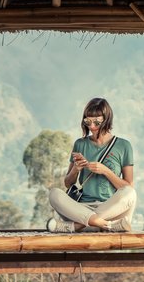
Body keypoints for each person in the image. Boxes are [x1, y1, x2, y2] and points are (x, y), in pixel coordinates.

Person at [47, 97, 136, 232]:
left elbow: (128, 186)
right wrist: (76, 170)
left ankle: (76, 226)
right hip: (81, 209)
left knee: (130, 193)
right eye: (88, 121)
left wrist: (106, 171)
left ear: (107, 120)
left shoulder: (123, 146)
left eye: (97, 122)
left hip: (110, 210)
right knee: (54, 193)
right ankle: (107, 225)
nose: (92, 127)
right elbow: (67, 183)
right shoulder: (80, 144)